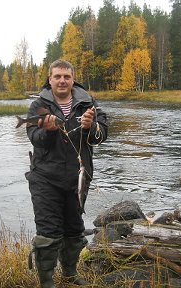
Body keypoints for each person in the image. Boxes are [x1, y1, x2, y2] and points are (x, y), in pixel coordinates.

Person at [25, 59, 108, 288]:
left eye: (66, 77)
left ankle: (70, 274)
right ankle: (47, 282)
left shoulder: (88, 103)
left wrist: (92, 126)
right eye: (57, 76)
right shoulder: (38, 106)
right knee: (48, 232)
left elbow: (102, 137)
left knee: (74, 229)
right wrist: (49, 132)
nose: (62, 81)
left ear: (73, 79)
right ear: (49, 80)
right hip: (44, 179)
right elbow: (35, 139)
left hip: (78, 178)